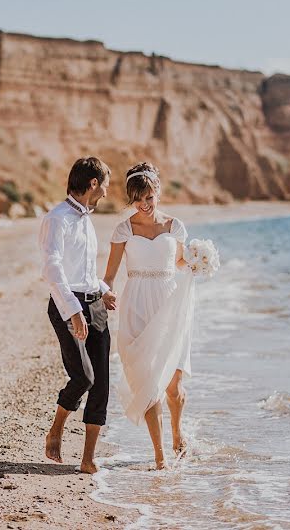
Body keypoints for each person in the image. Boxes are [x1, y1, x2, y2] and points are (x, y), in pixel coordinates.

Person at [102, 162, 194, 470]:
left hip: (170, 303)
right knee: (149, 378)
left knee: (174, 386)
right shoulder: (124, 230)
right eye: (138, 198)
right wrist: (107, 292)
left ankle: (178, 434)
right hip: (138, 304)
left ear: (158, 192)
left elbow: (180, 262)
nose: (144, 204)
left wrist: (197, 263)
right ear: (130, 198)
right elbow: (110, 274)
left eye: (149, 197)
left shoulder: (175, 226)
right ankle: (160, 456)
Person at [38, 156, 117, 474]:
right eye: (105, 187)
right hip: (66, 305)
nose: (107, 194)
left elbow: (82, 270)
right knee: (84, 376)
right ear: (93, 184)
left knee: (102, 384)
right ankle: (56, 429)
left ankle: (88, 459)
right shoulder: (57, 218)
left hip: (94, 304)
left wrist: (102, 288)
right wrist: (73, 311)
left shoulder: (86, 218)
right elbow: (53, 270)